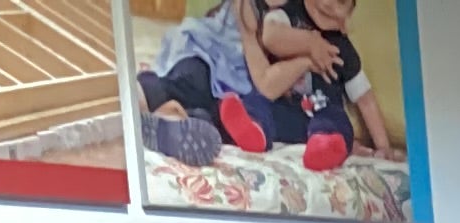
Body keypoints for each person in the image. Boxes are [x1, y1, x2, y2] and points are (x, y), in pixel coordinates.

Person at [135, 0, 316, 168]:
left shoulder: (307, 17)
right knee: (187, 83)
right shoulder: (248, 11)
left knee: (220, 119)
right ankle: (138, 99)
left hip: (238, 92)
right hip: (210, 57)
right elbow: (265, 67)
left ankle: (172, 121)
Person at [223, 0, 397, 174]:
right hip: (287, 108)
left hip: (323, 111)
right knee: (257, 102)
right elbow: (270, 36)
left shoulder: (343, 49)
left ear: (346, 21)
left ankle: (325, 147)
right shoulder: (291, 16)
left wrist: (383, 146)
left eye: (341, 2)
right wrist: (309, 44)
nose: (328, 5)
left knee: (337, 120)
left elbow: (365, 99)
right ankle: (254, 130)